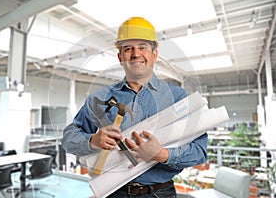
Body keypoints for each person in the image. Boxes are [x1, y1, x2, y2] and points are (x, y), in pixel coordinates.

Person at [61, 17, 208, 197]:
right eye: (128, 48)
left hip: (161, 193)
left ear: (154, 55)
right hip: (114, 193)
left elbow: (199, 152)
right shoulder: (99, 98)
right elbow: (69, 138)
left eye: (142, 47)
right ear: (120, 57)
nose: (135, 54)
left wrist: (161, 154)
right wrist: (93, 140)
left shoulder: (178, 98)